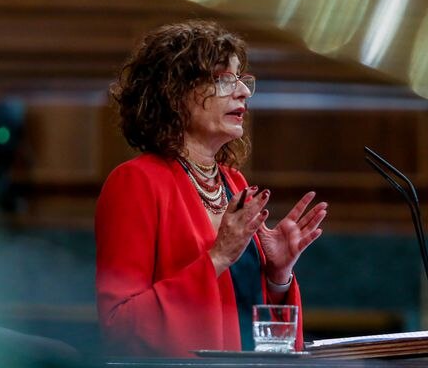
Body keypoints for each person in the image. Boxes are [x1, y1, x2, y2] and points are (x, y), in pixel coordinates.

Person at [95, 20, 328, 357]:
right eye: (223, 79)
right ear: (174, 93)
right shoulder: (136, 183)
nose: (244, 92)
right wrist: (217, 258)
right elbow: (119, 327)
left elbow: (244, 317)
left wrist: (278, 275)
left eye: (242, 80)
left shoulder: (234, 183)